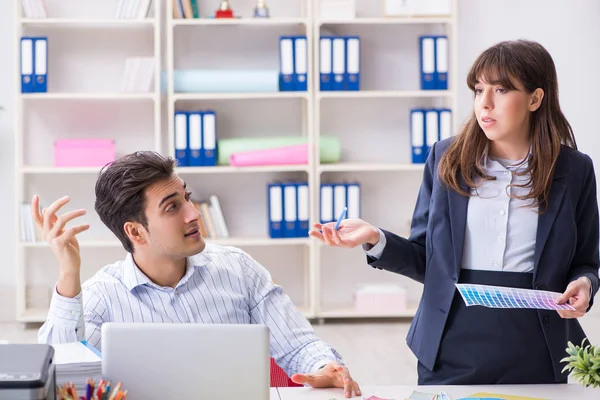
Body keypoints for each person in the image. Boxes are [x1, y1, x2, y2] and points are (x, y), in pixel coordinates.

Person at [310, 39, 599, 385]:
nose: (485, 104)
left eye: (501, 90)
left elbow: (586, 260)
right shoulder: (447, 159)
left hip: (538, 346)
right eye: (478, 90)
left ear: (536, 99)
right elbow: (426, 260)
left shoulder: (575, 170)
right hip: (451, 344)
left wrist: (584, 284)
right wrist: (376, 238)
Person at [35, 151, 361, 398]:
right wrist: (68, 272)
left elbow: (298, 345)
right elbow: (60, 373)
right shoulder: (103, 294)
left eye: (187, 198)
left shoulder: (237, 268)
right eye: (172, 207)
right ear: (135, 231)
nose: (194, 214)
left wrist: (323, 368)